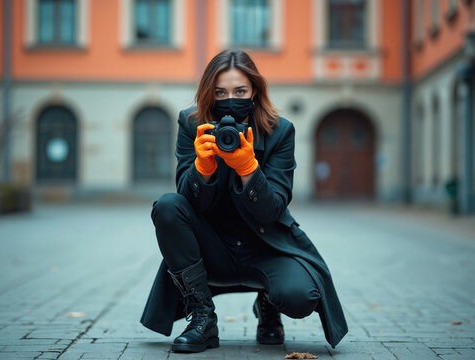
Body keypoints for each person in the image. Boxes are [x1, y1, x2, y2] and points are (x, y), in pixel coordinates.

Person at [140, 49, 348, 353]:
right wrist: (203, 169)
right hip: (212, 247)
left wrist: (248, 168)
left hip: (266, 245)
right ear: (209, 93)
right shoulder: (191, 123)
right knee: (167, 206)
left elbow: (273, 208)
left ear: (255, 92)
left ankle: (269, 305)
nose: (230, 99)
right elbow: (184, 205)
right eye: (220, 92)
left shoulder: (280, 131)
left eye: (240, 91)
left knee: (301, 297)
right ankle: (203, 319)